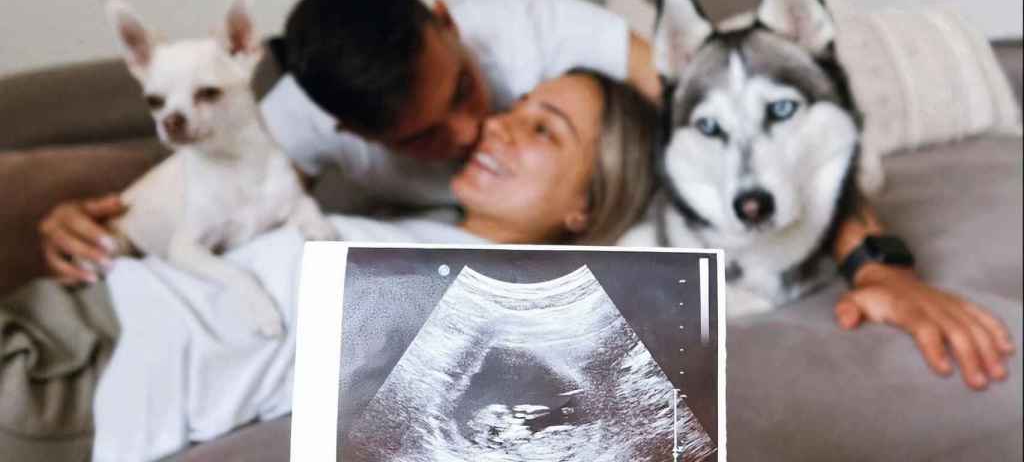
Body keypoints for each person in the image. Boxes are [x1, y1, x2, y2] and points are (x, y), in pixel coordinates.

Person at [38, 0, 1013, 390]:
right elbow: (196, 184)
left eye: (470, 90)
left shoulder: (551, 39)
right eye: (428, 138)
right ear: (344, 134)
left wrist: (873, 261)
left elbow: (724, 121)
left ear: (447, 19)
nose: (476, 130)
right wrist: (100, 221)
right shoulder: (296, 128)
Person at [85, 69, 659, 460]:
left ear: (586, 203)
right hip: (95, 302)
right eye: (516, 106)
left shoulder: (501, 313)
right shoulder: (408, 225)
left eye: (543, 129)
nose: (498, 124)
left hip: (93, 369)